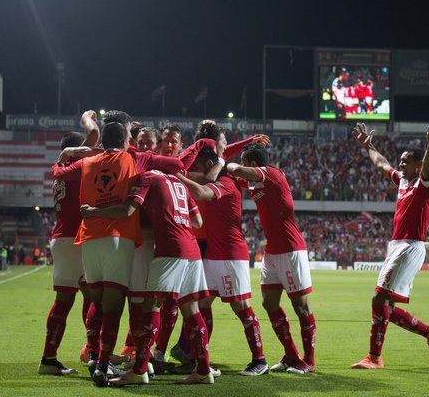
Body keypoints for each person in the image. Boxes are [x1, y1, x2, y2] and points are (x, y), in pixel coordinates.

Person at [54, 120, 184, 387]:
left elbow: (60, 172)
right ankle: (103, 363)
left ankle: (97, 356)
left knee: (98, 302)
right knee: (118, 304)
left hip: (89, 238)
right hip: (120, 240)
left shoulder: (89, 161)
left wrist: (68, 154)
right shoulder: (134, 158)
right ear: (127, 142)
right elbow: (177, 165)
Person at [82, 169, 214, 385]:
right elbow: (198, 221)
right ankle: (204, 370)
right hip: (191, 248)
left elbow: (127, 211)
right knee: (191, 309)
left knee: (150, 306)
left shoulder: (148, 177)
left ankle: (139, 371)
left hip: (170, 248)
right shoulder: (178, 182)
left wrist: (93, 211)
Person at [349, 119, 429, 369]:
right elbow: (381, 164)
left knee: (378, 299)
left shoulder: (425, 184)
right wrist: (368, 146)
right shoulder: (403, 181)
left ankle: (374, 357)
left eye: (406, 161)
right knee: (386, 307)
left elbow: (428, 164)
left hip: (410, 246)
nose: (401, 164)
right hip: (396, 246)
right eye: (400, 161)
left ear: (417, 164)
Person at [177, 148, 269, 376]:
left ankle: (260, 360)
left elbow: (200, 193)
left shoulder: (226, 183)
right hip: (213, 256)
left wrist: (177, 175)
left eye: (198, 167)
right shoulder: (222, 178)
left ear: (210, 164)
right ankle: (199, 359)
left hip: (230, 255)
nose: (195, 172)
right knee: (203, 303)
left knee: (241, 308)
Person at [226, 144, 316, 375]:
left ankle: (309, 360)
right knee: (269, 303)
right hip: (273, 251)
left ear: (253, 164)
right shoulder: (256, 182)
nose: (242, 166)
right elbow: (234, 177)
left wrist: (233, 165)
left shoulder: (271, 173)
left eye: (245, 162)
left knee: (301, 306)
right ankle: (292, 356)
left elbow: (234, 170)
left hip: (291, 249)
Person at [38, 110, 100, 376]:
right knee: (94, 295)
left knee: (64, 300)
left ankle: (49, 359)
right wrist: (88, 117)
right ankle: (94, 352)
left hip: (61, 237)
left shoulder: (60, 169)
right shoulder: (76, 166)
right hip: (77, 237)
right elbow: (95, 136)